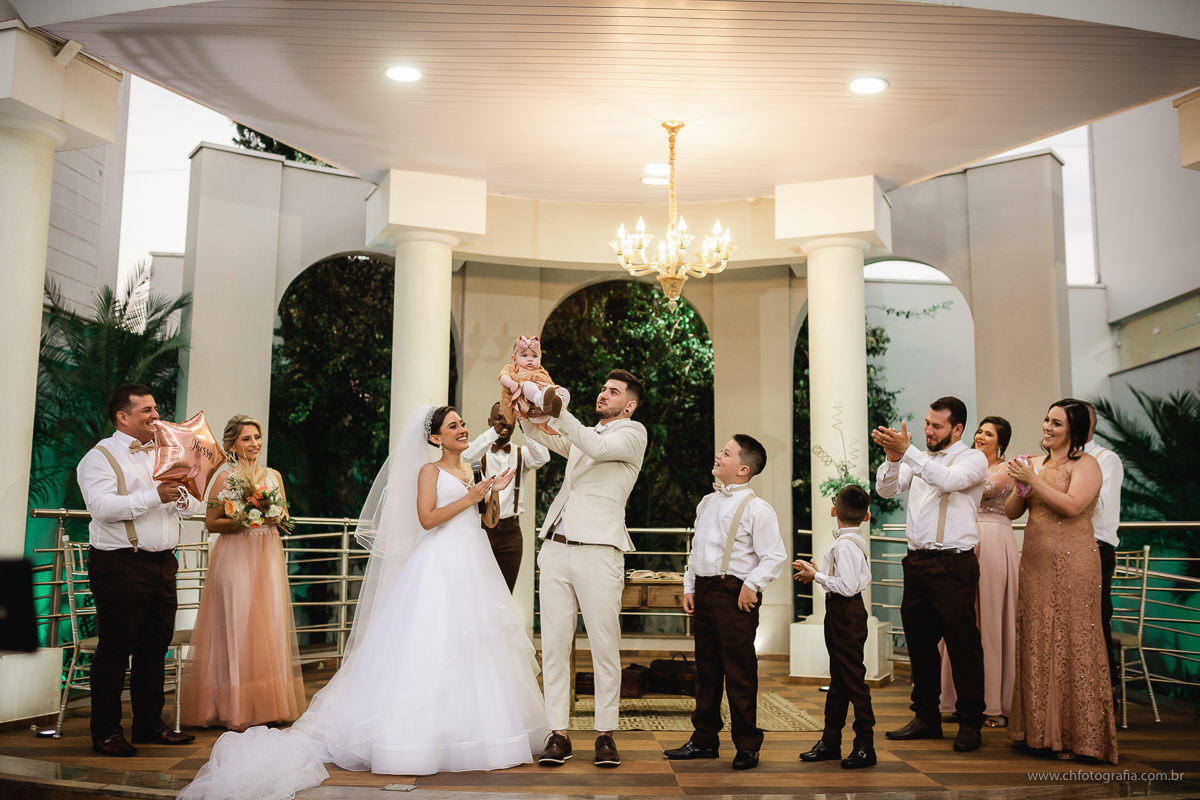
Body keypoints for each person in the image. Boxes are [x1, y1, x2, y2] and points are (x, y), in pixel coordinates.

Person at [178, 405, 548, 800]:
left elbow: (487, 521)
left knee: (476, 647)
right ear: (436, 437)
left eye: (461, 423)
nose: (462, 428)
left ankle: (479, 734)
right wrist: (471, 495)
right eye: (453, 425)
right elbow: (427, 518)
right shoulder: (429, 472)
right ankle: (416, 737)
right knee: (432, 645)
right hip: (439, 564)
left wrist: (491, 494)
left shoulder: (468, 471)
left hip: (473, 562)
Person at [519, 368, 647, 769]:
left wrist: (558, 410)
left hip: (599, 549)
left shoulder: (632, 434)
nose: (603, 394)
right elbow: (549, 436)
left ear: (630, 404)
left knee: (604, 646)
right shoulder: (583, 432)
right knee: (555, 645)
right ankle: (558, 733)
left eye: (613, 392)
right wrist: (525, 412)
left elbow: (590, 443)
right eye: (602, 388)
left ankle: (605, 735)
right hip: (556, 547)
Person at [75, 384, 199, 756]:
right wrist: (154, 496)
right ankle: (107, 732)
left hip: (163, 563)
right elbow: (101, 507)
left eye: (156, 408)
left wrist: (181, 497)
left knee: (154, 648)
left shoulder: (164, 453)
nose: (155, 415)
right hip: (119, 564)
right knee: (115, 649)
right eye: (146, 410)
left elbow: (192, 507)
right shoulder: (98, 458)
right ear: (122, 417)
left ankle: (148, 725)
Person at [872, 396, 988, 753]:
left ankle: (970, 723)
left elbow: (948, 481)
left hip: (953, 564)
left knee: (962, 646)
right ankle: (926, 717)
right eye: (926, 423)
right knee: (921, 647)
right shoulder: (917, 459)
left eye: (936, 426)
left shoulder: (973, 459)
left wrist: (908, 453)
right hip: (918, 564)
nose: (928, 430)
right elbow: (885, 489)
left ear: (957, 429)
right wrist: (893, 460)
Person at [662, 435, 785, 772]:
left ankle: (747, 744)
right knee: (706, 669)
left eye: (726, 453)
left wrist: (752, 585)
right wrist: (690, 586)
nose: (718, 455)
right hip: (705, 590)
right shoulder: (707, 502)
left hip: (735, 595)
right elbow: (697, 550)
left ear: (743, 469)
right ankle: (704, 739)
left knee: (740, 670)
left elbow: (774, 556)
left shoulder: (758, 509)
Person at [1005, 399, 1118, 763]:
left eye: (1056, 423)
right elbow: (1011, 512)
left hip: (1076, 563)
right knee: (1037, 638)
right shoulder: (1033, 464)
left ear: (1074, 429)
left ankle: (1077, 736)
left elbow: (1071, 506)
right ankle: (1036, 733)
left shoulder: (1088, 464)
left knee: (1073, 640)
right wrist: (1022, 485)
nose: (1047, 427)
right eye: (1046, 419)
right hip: (1036, 561)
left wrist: (1032, 480)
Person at [179, 414, 306, 730]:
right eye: (247, 438)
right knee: (236, 625)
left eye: (258, 437)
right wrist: (244, 519)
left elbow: (286, 517)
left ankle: (267, 705)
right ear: (233, 445)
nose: (255, 444)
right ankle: (233, 707)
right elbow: (211, 523)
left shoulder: (273, 476)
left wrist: (274, 515)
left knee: (269, 625)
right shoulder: (224, 478)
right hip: (236, 556)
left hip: (267, 557)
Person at [938, 416, 1020, 728]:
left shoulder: (1006, 468)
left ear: (1001, 442)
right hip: (962, 538)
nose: (980, 437)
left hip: (994, 540)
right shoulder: (965, 462)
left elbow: (984, 489)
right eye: (979, 431)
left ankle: (994, 703)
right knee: (960, 618)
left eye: (988, 433)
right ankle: (955, 697)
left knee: (990, 620)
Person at [795, 484, 877, 770]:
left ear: (833, 511)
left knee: (853, 679)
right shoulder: (851, 542)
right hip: (842, 611)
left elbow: (847, 586)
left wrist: (816, 575)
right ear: (866, 517)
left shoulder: (844, 545)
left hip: (847, 613)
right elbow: (843, 581)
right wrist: (819, 574)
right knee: (839, 680)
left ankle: (865, 745)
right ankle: (830, 741)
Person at [461, 402, 550, 591]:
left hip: (511, 532)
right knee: (478, 591)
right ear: (489, 421)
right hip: (482, 528)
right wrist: (495, 431)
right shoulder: (480, 452)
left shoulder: (522, 453)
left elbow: (543, 458)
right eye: (497, 418)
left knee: (505, 592)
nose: (503, 423)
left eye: (507, 419)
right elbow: (466, 455)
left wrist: (525, 426)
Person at [1083, 401, 1124, 687]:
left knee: (1096, 621)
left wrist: (1057, 489)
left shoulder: (1106, 458)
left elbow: (1098, 505)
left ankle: (1106, 694)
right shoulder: (1054, 462)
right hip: (1061, 551)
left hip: (1095, 549)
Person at [499, 334, 569, 434]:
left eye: (535, 356)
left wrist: (554, 391)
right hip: (527, 397)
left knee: (562, 390)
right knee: (527, 385)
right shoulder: (513, 368)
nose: (530, 359)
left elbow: (550, 384)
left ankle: (558, 404)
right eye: (524, 355)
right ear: (514, 359)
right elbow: (502, 376)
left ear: (540, 357)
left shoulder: (541, 371)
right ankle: (539, 398)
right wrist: (510, 383)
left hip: (545, 394)